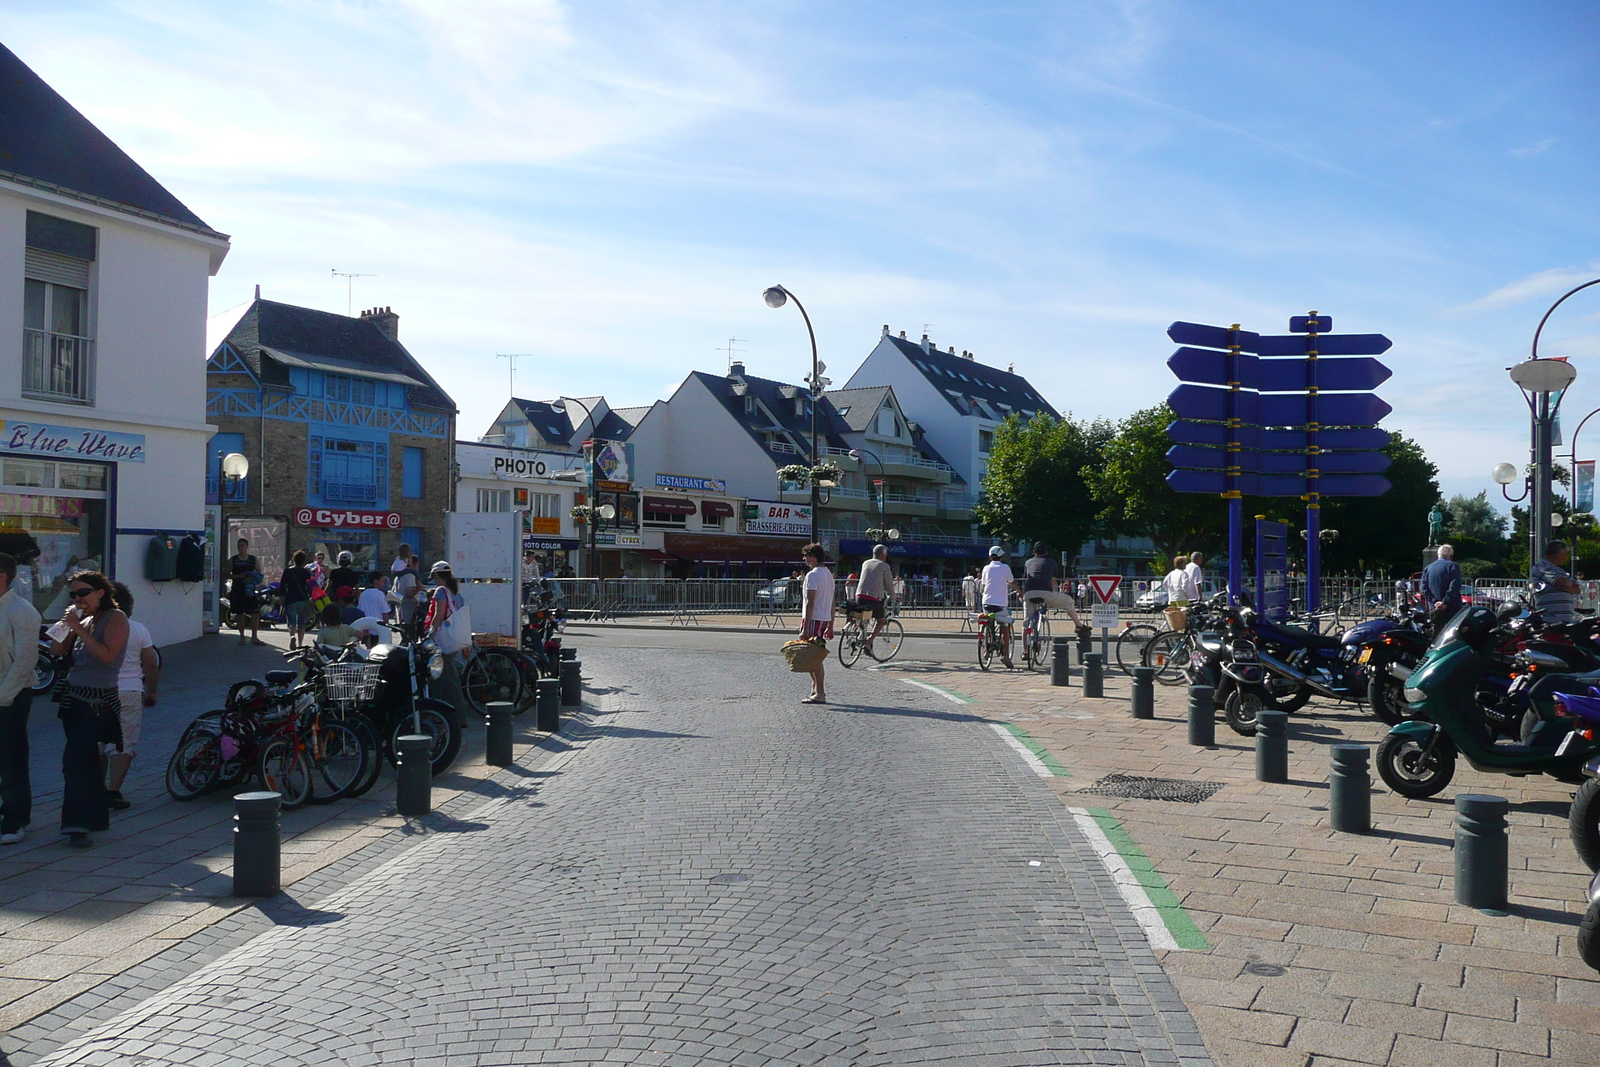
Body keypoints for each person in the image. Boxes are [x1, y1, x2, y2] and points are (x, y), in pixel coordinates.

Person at [49, 571, 128, 848]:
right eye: (73, 594)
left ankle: (76, 824)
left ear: (100, 592)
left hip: (98, 702)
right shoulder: (83, 618)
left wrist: (81, 629)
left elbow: (108, 656)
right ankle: (96, 816)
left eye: (82, 593)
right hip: (74, 698)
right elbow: (56, 651)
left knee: (74, 761)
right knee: (88, 760)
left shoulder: (115, 618)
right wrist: (68, 625)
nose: (78, 598)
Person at [105, 583, 158, 813]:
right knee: (124, 742)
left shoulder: (93, 627)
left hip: (99, 690)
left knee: (97, 742)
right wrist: (152, 691)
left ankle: (95, 788)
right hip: (129, 691)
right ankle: (113, 791)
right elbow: (150, 663)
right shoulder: (138, 629)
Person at [0, 553, 41, 845]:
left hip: (11, 696)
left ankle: (15, 820)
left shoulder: (21, 610)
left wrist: (3, 696)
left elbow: (26, 660)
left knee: (11, 758)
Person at [798, 543, 834, 704]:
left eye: (806, 556)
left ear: (813, 557)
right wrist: (831, 624)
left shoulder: (813, 576)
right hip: (824, 618)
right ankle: (815, 689)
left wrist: (805, 628)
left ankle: (820, 693)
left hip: (813, 618)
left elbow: (810, 602)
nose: (804, 559)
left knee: (813, 657)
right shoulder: (828, 575)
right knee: (814, 656)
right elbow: (833, 602)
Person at [1022, 541, 1084, 632]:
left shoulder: (1028, 562)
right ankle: (1078, 625)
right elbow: (1053, 581)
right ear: (1046, 552)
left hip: (1029, 593)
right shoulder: (1052, 562)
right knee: (1069, 601)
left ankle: (1026, 643)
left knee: (1026, 624)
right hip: (1046, 593)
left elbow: (1026, 578)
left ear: (1034, 552)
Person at [981, 545, 1020, 668]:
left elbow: (983, 583)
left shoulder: (986, 568)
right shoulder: (1005, 567)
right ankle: (1006, 656)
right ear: (1001, 557)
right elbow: (1011, 581)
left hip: (987, 601)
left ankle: (987, 651)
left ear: (990, 557)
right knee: (1004, 628)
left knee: (988, 624)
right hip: (1000, 602)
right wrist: (1019, 590)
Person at [853, 544, 894, 652]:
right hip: (873, 598)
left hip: (859, 595)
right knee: (881, 620)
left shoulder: (865, 563)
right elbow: (889, 584)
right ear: (883, 555)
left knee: (864, 615)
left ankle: (860, 636)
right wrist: (894, 597)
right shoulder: (884, 566)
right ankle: (868, 642)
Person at [424, 561, 467, 664]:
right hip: (456, 634)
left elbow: (439, 615)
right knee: (450, 663)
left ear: (437, 575)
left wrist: (431, 632)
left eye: (434, 577)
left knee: (440, 663)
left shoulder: (440, 591)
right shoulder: (457, 593)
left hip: (444, 635)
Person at [1532, 540, 1581, 625]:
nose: (1565, 558)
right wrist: (1567, 585)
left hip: (1565, 619)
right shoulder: (1541, 566)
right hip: (1550, 619)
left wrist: (1564, 585)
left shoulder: (1560, 571)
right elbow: (1561, 583)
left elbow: (1577, 588)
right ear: (1558, 554)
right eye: (1565, 555)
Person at [227, 538, 264, 646]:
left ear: (247, 547)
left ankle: (254, 637)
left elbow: (259, 573)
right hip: (238, 589)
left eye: (242, 545)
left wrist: (253, 578)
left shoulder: (252, 559)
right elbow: (226, 574)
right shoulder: (233, 560)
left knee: (255, 613)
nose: (240, 548)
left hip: (250, 590)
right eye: (239, 546)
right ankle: (242, 637)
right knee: (239, 614)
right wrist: (239, 576)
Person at [1420, 544, 1464, 630]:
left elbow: (1423, 588)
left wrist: (1435, 601)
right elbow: (1454, 586)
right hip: (1452, 607)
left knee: (1436, 634)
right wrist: (1445, 602)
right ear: (1451, 556)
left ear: (1438, 555)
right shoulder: (1453, 566)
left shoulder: (1428, 568)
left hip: (1434, 608)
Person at [281, 550, 315, 650]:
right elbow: (309, 586)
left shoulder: (288, 571)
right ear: (304, 561)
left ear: (293, 560)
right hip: (303, 599)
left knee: (291, 622)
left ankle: (292, 636)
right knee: (301, 623)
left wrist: (282, 597)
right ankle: (300, 644)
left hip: (290, 599)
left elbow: (283, 585)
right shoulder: (306, 572)